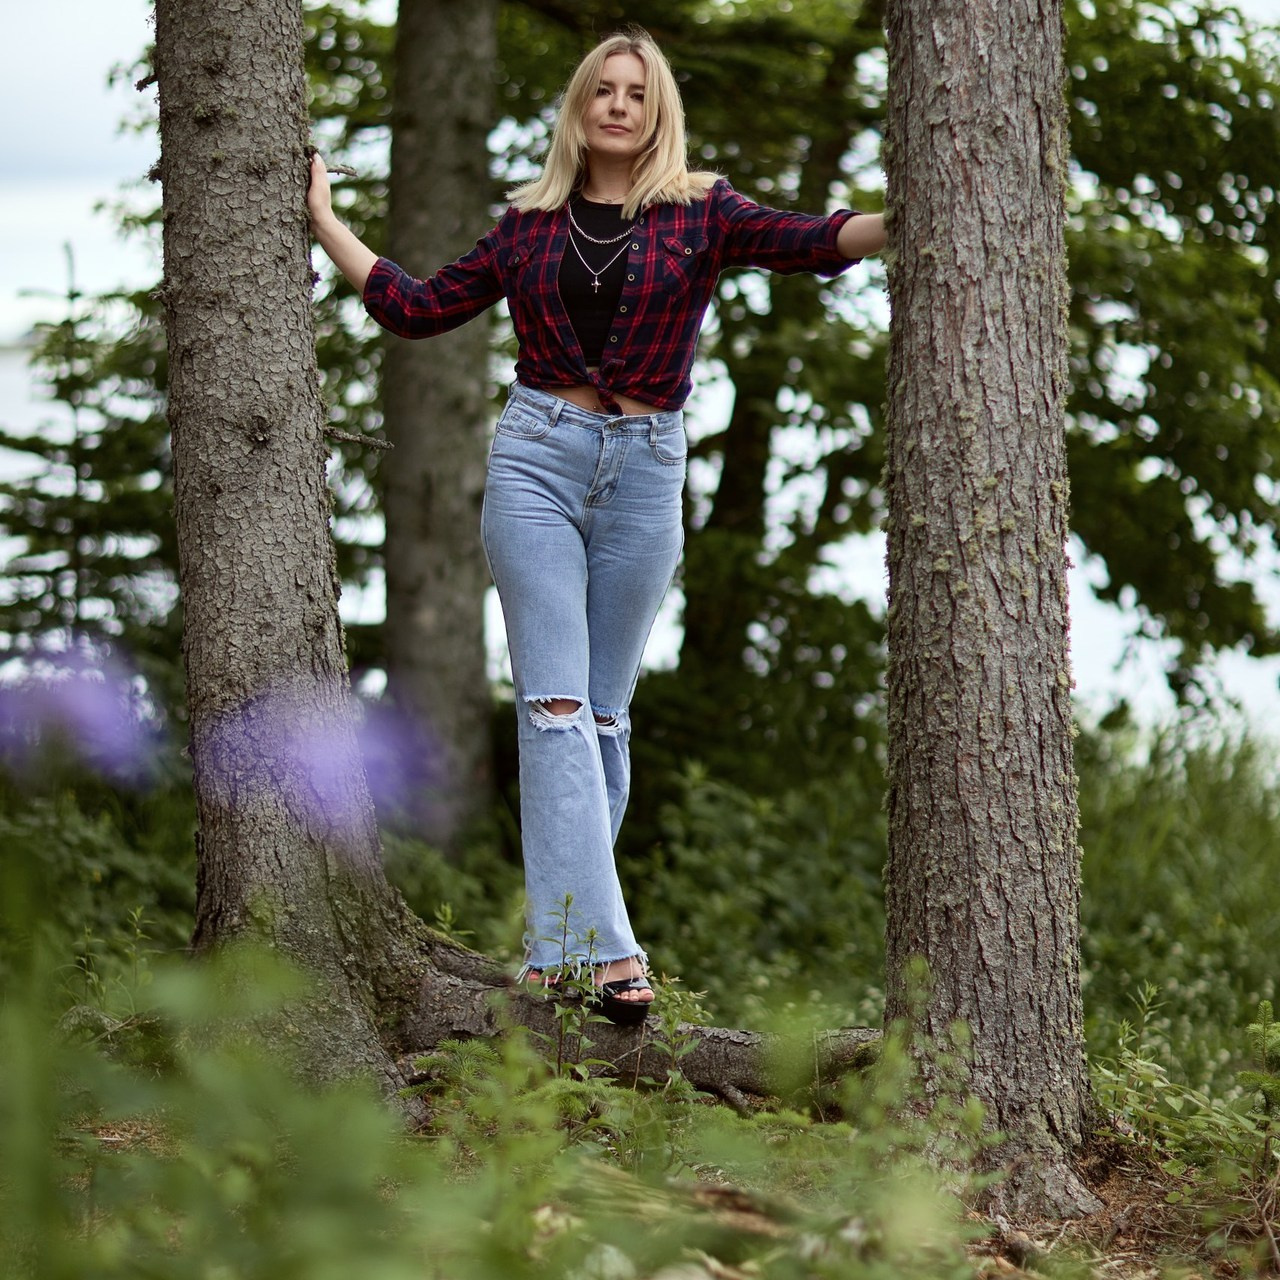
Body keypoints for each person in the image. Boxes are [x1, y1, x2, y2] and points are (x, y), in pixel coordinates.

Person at [307, 27, 886, 1026]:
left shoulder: (702, 212)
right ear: (578, 108)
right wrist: (322, 219)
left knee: (604, 719)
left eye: (635, 92)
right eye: (601, 90)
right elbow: (412, 306)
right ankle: (612, 954)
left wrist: (912, 212)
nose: (617, 104)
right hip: (537, 460)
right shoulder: (525, 226)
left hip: (646, 474)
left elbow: (811, 241)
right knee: (557, 709)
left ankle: (551, 949)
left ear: (656, 111)